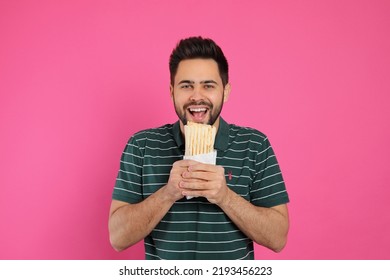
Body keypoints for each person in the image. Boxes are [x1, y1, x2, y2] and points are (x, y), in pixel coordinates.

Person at [109, 36, 290, 260]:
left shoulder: (255, 145)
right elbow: (117, 238)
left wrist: (225, 197)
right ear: (172, 91)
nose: (196, 96)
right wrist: (168, 193)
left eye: (208, 85)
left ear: (225, 91)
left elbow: (278, 238)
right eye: (186, 86)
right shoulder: (141, 146)